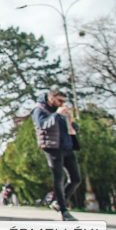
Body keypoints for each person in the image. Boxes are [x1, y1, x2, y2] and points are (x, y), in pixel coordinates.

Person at [33, 89, 82, 221]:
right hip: (52, 147)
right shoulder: (39, 110)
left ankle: (58, 202)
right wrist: (57, 114)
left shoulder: (59, 110)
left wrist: (71, 120)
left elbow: (73, 128)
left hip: (67, 146)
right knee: (58, 178)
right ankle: (64, 210)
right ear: (51, 98)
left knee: (76, 178)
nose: (62, 103)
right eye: (59, 100)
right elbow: (42, 125)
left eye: (64, 101)